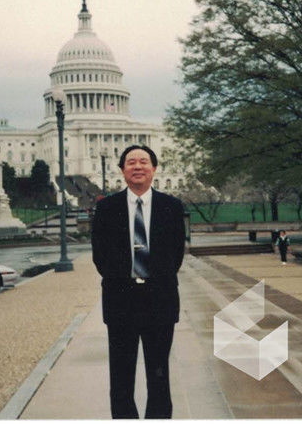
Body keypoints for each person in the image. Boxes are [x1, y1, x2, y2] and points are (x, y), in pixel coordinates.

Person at [91, 145, 186, 419]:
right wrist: (125, 280)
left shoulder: (171, 206)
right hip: (121, 301)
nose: (137, 166)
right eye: (131, 162)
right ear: (122, 170)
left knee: (159, 376)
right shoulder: (107, 208)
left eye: (143, 161)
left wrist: (152, 279)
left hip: (160, 300)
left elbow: (176, 254)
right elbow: (100, 256)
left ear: (154, 168)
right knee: (121, 378)